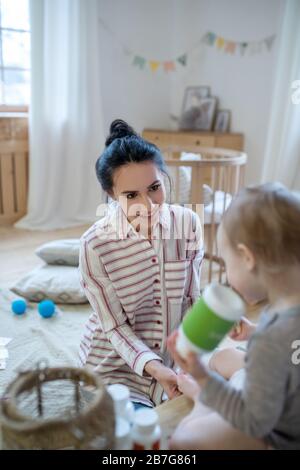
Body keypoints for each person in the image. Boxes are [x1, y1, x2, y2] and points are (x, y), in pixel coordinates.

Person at [78, 119, 204, 408]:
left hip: (174, 361)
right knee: (130, 438)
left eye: (154, 188)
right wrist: (155, 368)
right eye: (131, 195)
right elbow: (114, 327)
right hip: (113, 367)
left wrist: (189, 355)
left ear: (163, 178)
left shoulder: (188, 223)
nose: (148, 205)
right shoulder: (94, 245)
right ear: (111, 195)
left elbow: (193, 298)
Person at [167, 183, 300, 449]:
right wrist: (253, 332)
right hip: (283, 393)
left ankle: (203, 399)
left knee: (182, 440)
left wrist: (202, 376)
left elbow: (252, 420)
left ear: (247, 258)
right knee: (224, 357)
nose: (227, 272)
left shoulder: (271, 340)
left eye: (227, 263)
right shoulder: (286, 307)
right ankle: (209, 395)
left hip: (277, 433)